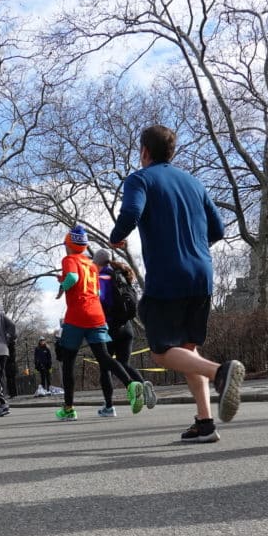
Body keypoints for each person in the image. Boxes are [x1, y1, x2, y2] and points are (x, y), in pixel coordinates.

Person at [109, 124, 244, 443]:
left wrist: (117, 237)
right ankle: (205, 422)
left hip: (168, 277)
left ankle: (220, 373)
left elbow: (130, 211)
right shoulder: (194, 183)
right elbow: (219, 229)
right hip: (202, 274)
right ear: (172, 152)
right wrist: (194, 246)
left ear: (144, 151)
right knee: (188, 349)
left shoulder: (139, 179)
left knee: (161, 351)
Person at [54, 226, 143, 421]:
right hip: (97, 316)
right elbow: (85, 282)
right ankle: (131, 385)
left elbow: (72, 277)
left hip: (77, 315)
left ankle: (68, 409)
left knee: (68, 362)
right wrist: (65, 280)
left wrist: (62, 286)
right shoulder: (90, 263)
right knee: (104, 357)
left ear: (68, 245)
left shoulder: (69, 260)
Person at [94, 248, 156, 415]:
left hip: (110, 327)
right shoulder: (121, 275)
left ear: (97, 263)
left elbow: (103, 301)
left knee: (105, 366)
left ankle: (108, 407)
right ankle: (143, 385)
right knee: (123, 363)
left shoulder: (104, 277)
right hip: (127, 327)